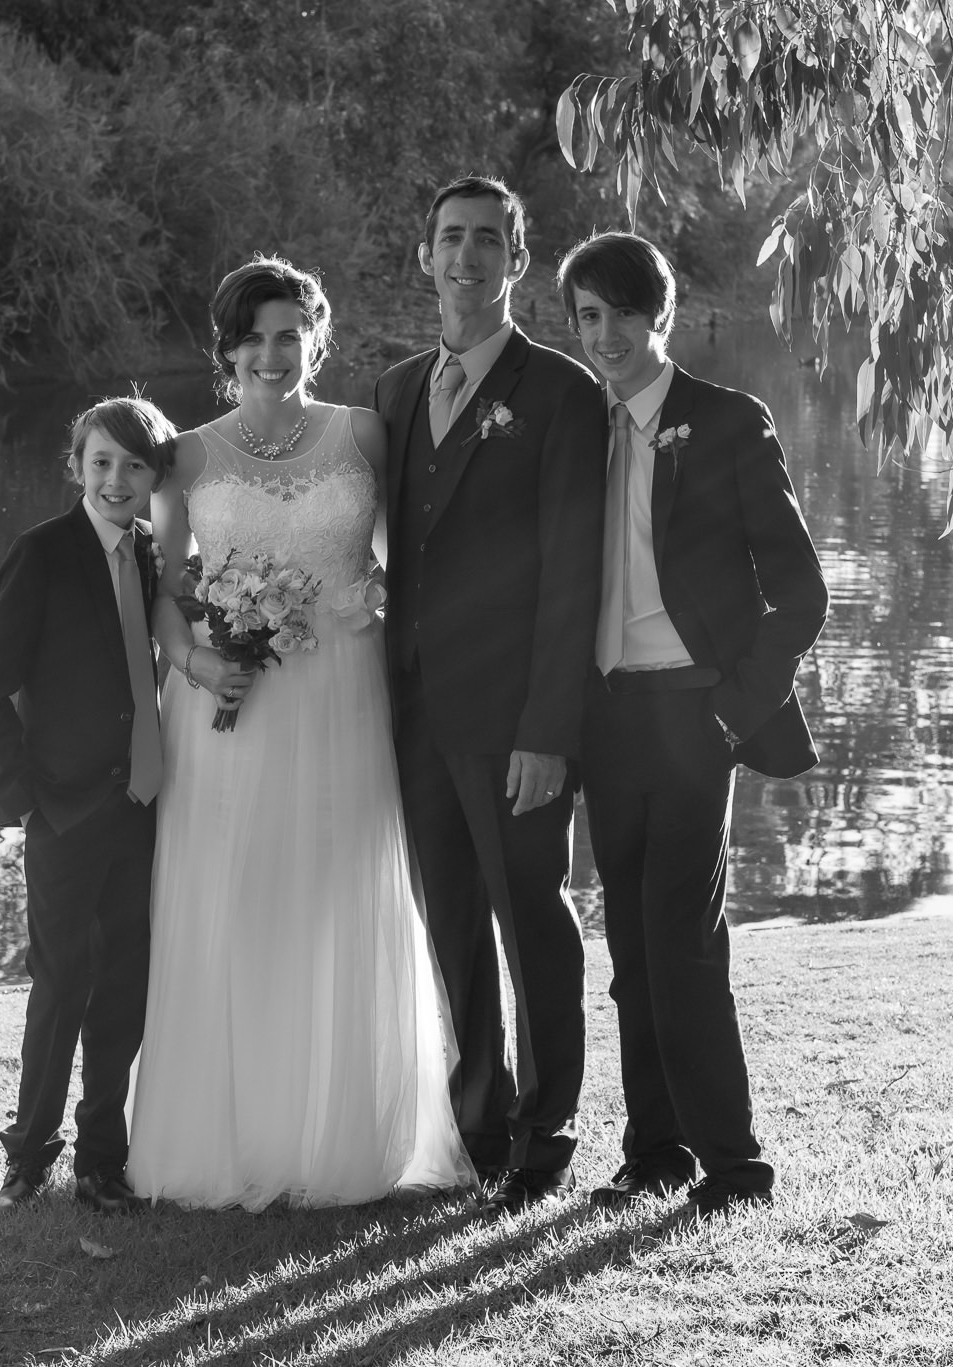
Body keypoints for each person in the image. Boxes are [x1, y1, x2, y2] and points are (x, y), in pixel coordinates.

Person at [125, 256, 472, 1209]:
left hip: (342, 698)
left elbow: (413, 565)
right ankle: (228, 1136)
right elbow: (158, 594)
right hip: (226, 709)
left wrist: (371, 601)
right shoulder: (187, 456)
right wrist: (198, 663)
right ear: (227, 349)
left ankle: (341, 1138)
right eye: (255, 338)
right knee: (236, 900)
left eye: (290, 334)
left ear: (316, 338)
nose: (273, 354)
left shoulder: (364, 433)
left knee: (333, 890)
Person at [556, 230, 828, 1219]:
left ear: (654, 315)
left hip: (691, 713)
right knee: (629, 943)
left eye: (621, 311)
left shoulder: (725, 421)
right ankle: (654, 1151)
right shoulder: (577, 430)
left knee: (681, 939)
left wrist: (728, 706)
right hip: (605, 714)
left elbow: (797, 593)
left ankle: (734, 1164)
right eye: (587, 315)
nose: (605, 333)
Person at [372, 177, 608, 1214]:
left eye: (486, 241)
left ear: (516, 259)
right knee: (450, 926)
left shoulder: (560, 393)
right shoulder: (387, 393)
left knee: (531, 923)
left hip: (513, 720)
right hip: (412, 711)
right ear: (422, 256)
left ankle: (544, 1132)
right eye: (448, 238)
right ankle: (477, 1123)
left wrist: (548, 729)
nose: (464, 256)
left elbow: (575, 576)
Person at [0, 396, 251, 1216]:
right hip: (64, 808)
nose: (116, 479)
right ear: (77, 466)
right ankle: (29, 1153)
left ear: (155, 476)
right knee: (60, 983)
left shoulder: (157, 554)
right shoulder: (43, 554)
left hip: (145, 803)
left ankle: (102, 1157)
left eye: (133, 465)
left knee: (125, 980)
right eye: (101, 462)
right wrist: (22, 800)